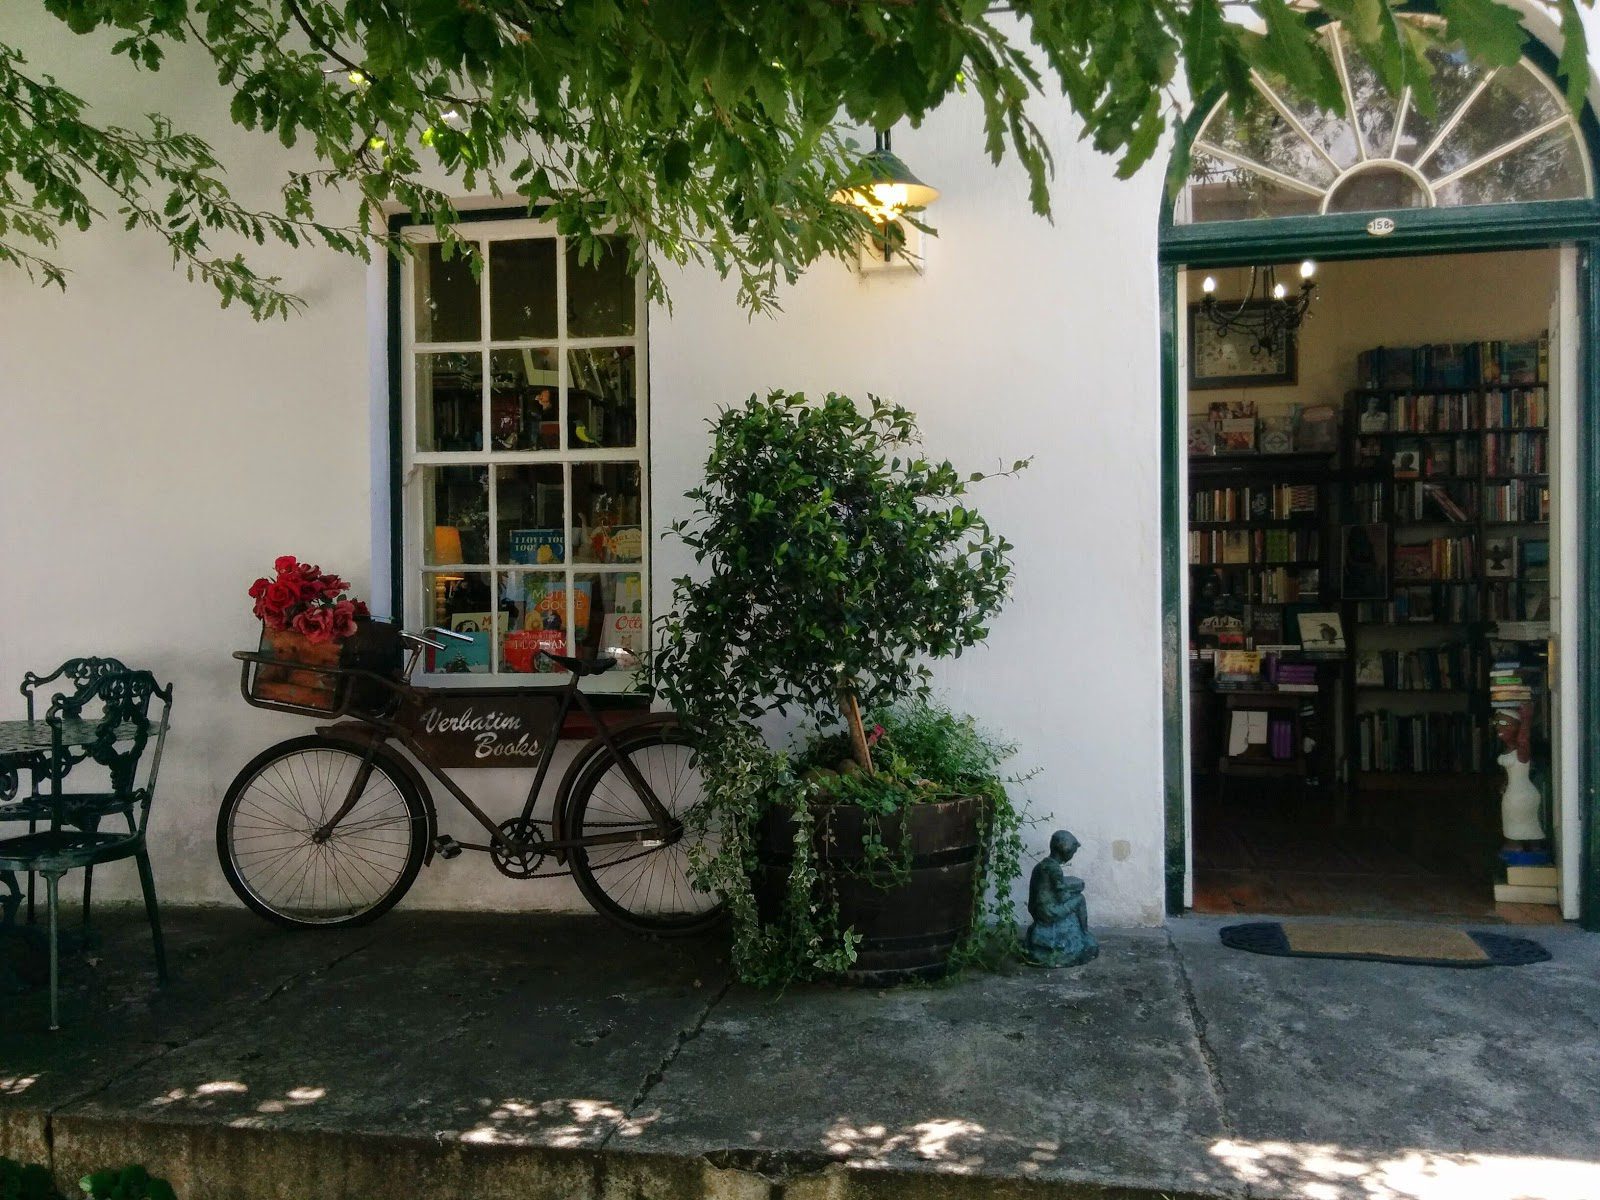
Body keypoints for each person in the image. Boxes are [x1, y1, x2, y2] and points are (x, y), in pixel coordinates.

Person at [1023, 830, 1099, 968]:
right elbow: (1062, 896)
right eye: (1073, 853)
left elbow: (1054, 886)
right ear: (1067, 852)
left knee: (1075, 896)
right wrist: (1077, 888)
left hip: (1037, 910)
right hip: (1048, 912)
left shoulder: (1042, 866)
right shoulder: (1055, 869)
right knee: (1080, 899)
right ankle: (1085, 933)